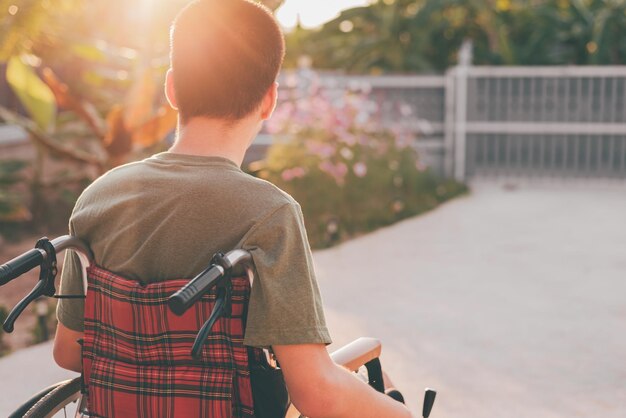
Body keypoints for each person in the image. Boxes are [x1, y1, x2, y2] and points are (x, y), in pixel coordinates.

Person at [53, 1, 412, 417]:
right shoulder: (269, 213)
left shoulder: (99, 197)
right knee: (380, 385)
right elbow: (316, 393)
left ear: (172, 89)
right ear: (269, 100)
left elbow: (70, 352)